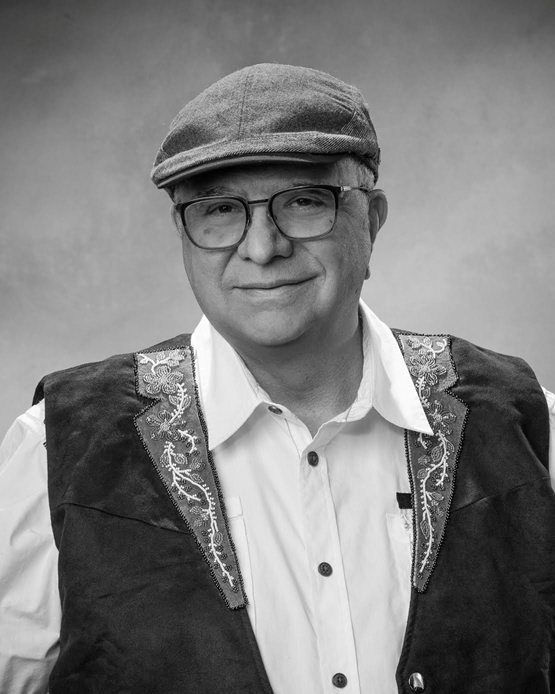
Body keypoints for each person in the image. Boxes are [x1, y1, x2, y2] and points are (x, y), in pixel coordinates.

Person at [1, 63, 554, 694]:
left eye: (304, 202)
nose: (262, 248)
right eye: (218, 210)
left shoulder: (528, 428)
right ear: (183, 234)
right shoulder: (59, 449)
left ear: (372, 221)